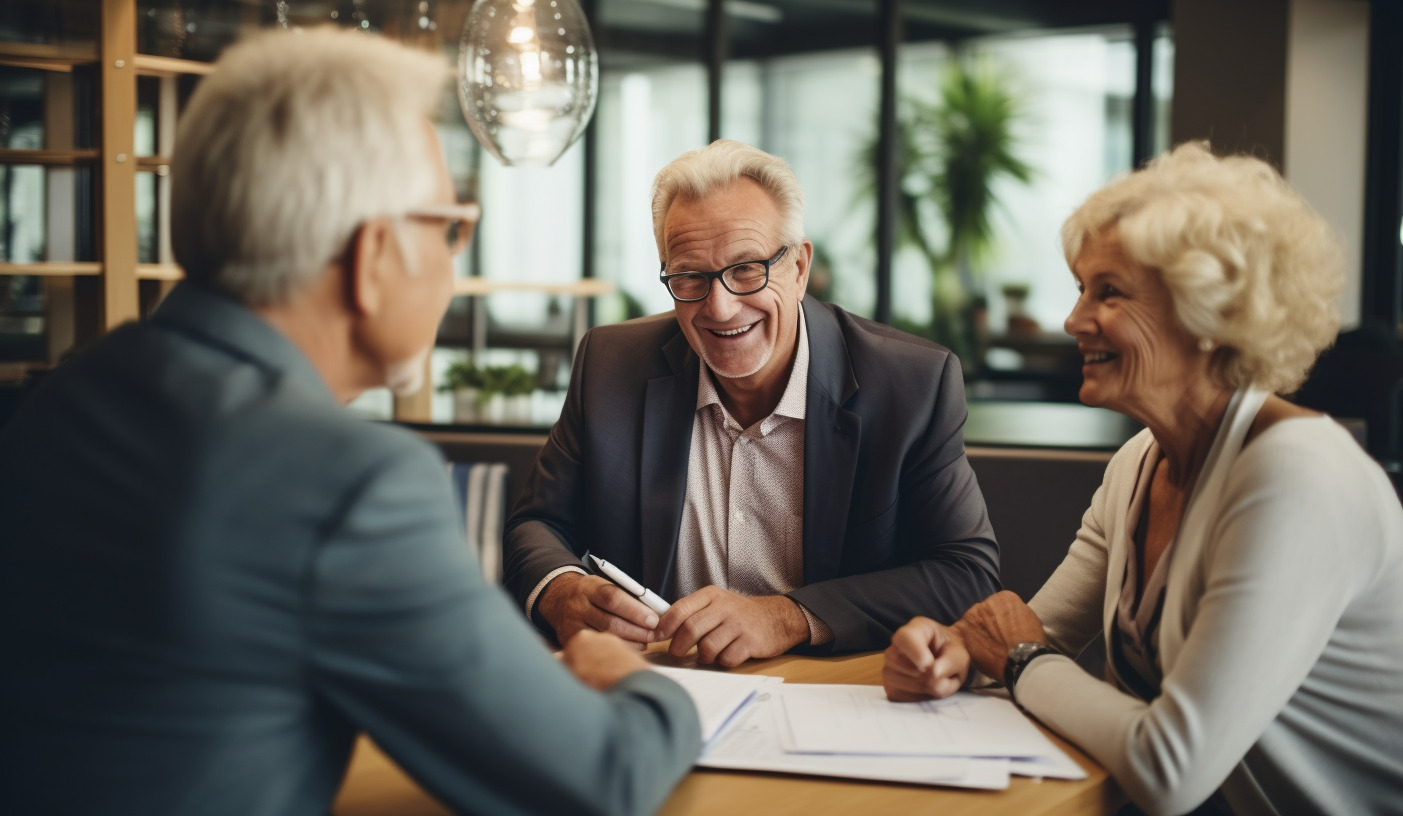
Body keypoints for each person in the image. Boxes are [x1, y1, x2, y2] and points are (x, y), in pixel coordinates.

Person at [0, 29, 699, 816]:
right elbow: (600, 779)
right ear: (372, 257)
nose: (452, 263)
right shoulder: (343, 482)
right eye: (448, 229)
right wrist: (639, 683)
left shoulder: (65, 398)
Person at [881, 143, 1403, 815]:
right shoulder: (1138, 464)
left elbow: (1168, 767)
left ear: (1209, 314)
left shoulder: (1296, 475)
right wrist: (948, 654)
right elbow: (1037, 636)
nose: (1073, 322)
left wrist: (1013, 658)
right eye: (1080, 289)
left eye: (1110, 293)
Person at [504, 139, 1000, 666]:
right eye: (690, 276)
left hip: (832, 699)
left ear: (800, 267)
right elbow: (534, 526)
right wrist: (561, 591)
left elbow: (966, 572)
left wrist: (788, 617)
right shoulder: (610, 366)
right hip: (654, 688)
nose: (719, 307)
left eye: (747, 269)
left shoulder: (911, 384)